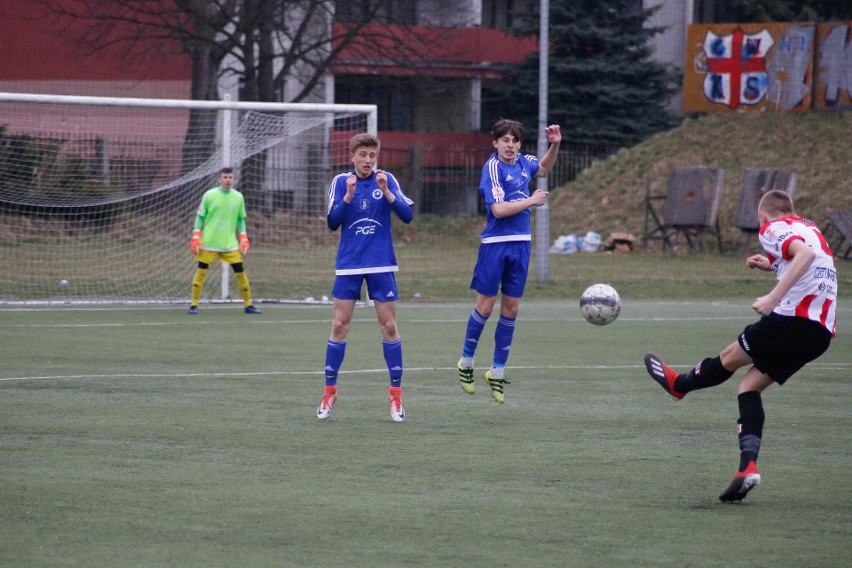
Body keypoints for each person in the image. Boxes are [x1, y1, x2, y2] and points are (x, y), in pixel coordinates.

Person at [644, 190, 837, 503]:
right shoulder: (811, 229)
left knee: (728, 358)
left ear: (762, 215)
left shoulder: (771, 228)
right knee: (748, 388)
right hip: (819, 332)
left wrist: (774, 296)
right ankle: (747, 468)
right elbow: (815, 265)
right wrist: (773, 264)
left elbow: (804, 257)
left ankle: (679, 385)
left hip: (791, 320)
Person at [457, 119, 562, 403]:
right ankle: (466, 363)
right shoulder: (492, 168)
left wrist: (555, 145)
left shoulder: (523, 162)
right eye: (505, 140)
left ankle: (497, 371)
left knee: (512, 309)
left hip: (521, 246)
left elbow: (542, 169)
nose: (510, 145)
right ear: (495, 143)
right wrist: (531, 201)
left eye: (515, 140)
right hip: (495, 246)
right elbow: (499, 210)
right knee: (486, 306)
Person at [317, 133, 414, 422]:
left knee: (389, 326)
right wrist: (347, 196)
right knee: (338, 325)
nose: (368, 161)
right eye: (363, 155)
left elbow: (407, 215)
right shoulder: (340, 182)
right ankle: (329, 392)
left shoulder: (388, 180)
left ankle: (395, 397)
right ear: (352, 157)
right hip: (349, 265)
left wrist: (387, 192)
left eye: (372, 156)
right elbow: (333, 223)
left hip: (381, 264)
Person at [187, 167, 261, 315]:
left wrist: (244, 237)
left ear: (234, 180)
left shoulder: (238, 197)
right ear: (219, 179)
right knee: (201, 272)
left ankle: (248, 305)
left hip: (230, 244)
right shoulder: (209, 195)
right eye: (225, 177)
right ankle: (194, 305)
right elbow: (200, 216)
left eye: (230, 177)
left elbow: (240, 219)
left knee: (240, 272)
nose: (227, 180)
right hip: (209, 243)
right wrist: (196, 236)